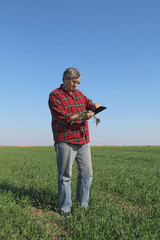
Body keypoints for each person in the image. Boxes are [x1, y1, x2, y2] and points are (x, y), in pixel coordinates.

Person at [48, 67, 100, 216]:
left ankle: (82, 206)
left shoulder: (79, 95)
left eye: (78, 82)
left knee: (87, 174)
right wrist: (83, 117)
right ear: (65, 80)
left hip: (83, 140)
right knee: (65, 176)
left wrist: (95, 106)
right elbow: (62, 116)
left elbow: (88, 103)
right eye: (74, 82)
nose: (76, 85)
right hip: (65, 140)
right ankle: (65, 208)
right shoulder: (55, 95)